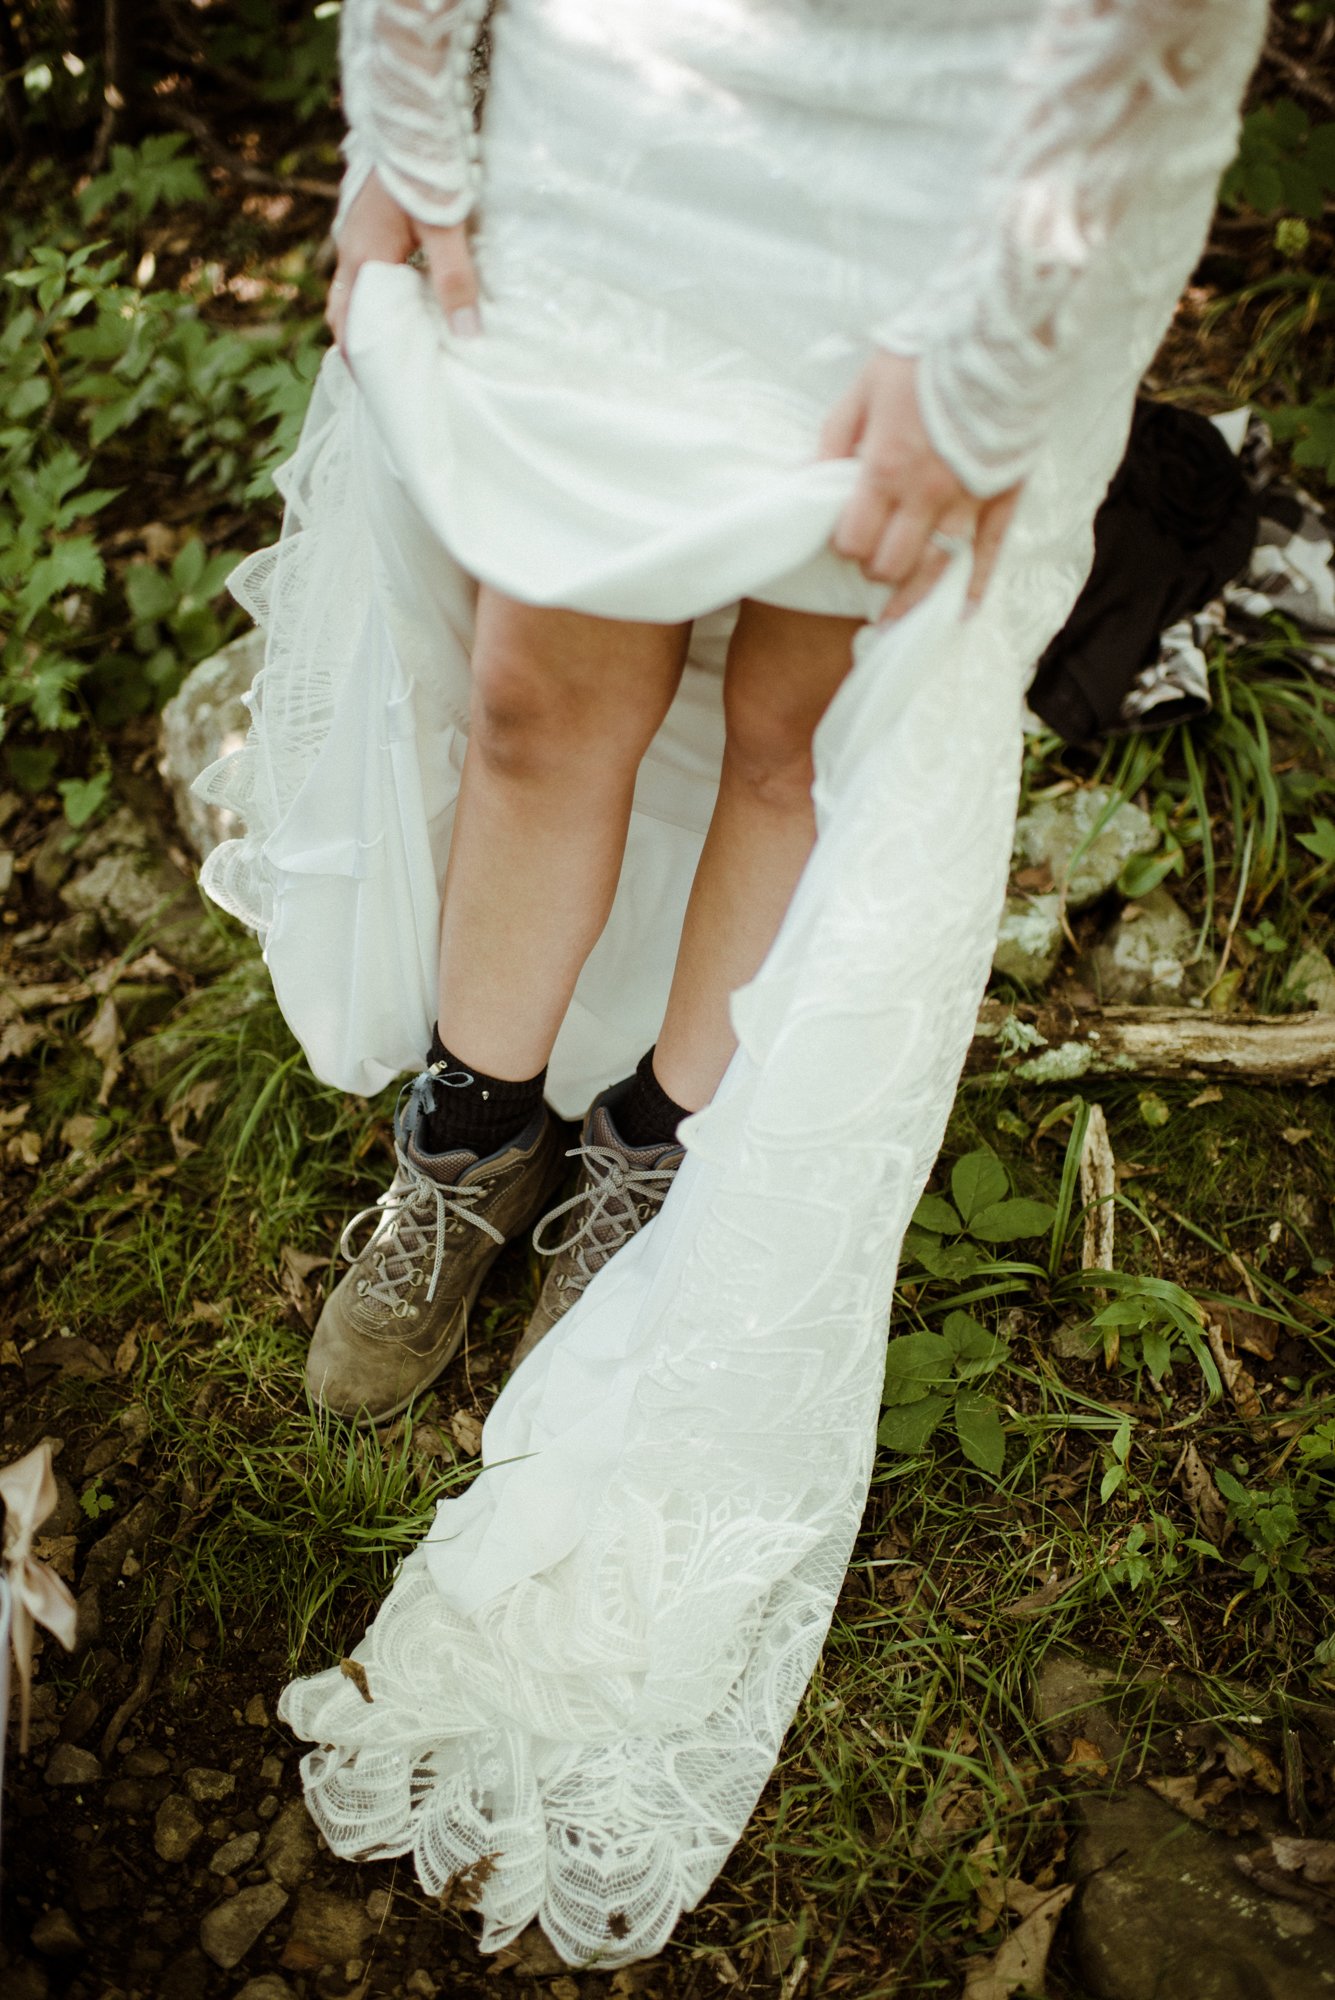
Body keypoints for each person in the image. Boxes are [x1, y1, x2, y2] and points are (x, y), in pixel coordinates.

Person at [196, 0, 1267, 1966]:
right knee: (539, 690)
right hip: (628, 126)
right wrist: (409, 131)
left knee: (797, 728)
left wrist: (999, 319)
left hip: (953, 151)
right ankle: (469, 1135)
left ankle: (642, 1142)